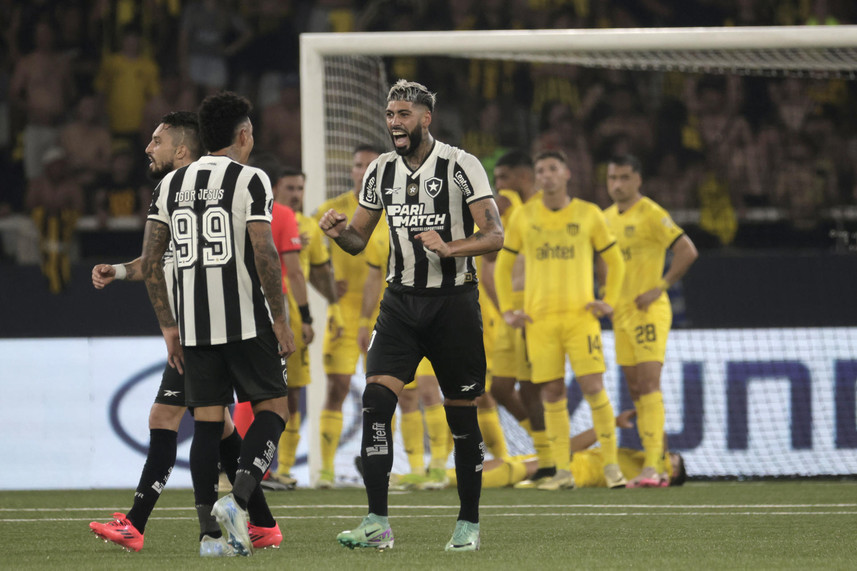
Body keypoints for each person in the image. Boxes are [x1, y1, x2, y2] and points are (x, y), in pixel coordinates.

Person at [320, 79, 504, 552]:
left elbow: (494, 235)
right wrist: (339, 233)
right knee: (376, 403)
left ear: (425, 118)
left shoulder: (462, 165)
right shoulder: (380, 171)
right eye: (390, 114)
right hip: (399, 303)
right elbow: (360, 240)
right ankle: (377, 521)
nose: (394, 123)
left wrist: (449, 247)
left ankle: (468, 523)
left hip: (454, 305)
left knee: (462, 416)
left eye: (403, 114)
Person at [88, 112, 283, 555]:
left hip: (203, 332)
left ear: (181, 149)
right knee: (222, 426)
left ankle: (148, 526)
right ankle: (264, 525)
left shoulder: (190, 195)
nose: (147, 148)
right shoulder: (181, 201)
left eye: (156, 140)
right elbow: (152, 261)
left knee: (171, 419)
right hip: (205, 331)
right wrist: (118, 270)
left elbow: (161, 260)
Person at [142, 91, 294, 557]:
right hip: (246, 321)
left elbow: (151, 263)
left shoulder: (169, 187)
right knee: (273, 412)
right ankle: (241, 498)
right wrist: (282, 319)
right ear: (244, 135)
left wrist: (170, 327)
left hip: (193, 326)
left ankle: (209, 536)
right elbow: (265, 253)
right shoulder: (251, 179)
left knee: (207, 426)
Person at [495, 150, 627, 491]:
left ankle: (612, 467)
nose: (547, 175)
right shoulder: (524, 216)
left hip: (580, 319)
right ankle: (562, 471)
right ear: (536, 177)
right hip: (540, 321)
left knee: (594, 387)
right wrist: (509, 309)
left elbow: (616, 261)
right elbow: (503, 266)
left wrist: (609, 301)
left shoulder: (589, 214)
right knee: (551, 394)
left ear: (567, 174)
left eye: (553, 168)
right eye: (541, 170)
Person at [600, 154, 698, 488]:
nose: (617, 184)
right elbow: (602, 263)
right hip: (621, 313)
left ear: (638, 179)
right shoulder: (605, 218)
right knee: (636, 389)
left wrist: (660, 287)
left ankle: (654, 466)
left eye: (624, 177)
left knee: (649, 384)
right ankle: (657, 464)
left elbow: (687, 250)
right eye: (613, 177)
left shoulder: (652, 213)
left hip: (647, 311)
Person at [356, 218, 449, 490]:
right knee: (407, 396)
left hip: (433, 316)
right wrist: (364, 321)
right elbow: (374, 278)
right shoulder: (381, 233)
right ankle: (418, 469)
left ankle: (440, 468)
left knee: (432, 391)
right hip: (396, 321)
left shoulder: (434, 220)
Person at [266, 166, 342, 489]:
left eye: (301, 188)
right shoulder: (268, 217)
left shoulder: (310, 225)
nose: (297, 194)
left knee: (291, 392)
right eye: (291, 188)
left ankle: (283, 468)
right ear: (276, 187)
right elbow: (295, 272)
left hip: (292, 313)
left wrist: (337, 300)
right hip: (280, 309)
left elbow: (316, 273)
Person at [313, 144, 383, 489]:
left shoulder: (392, 209)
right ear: (352, 170)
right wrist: (327, 284)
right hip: (343, 312)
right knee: (338, 387)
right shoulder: (330, 210)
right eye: (358, 165)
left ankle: (388, 463)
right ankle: (325, 470)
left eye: (371, 165)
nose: (363, 171)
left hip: (385, 308)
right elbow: (307, 257)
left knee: (386, 389)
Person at [486, 149, 556, 487]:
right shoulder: (505, 210)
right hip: (509, 313)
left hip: (537, 310)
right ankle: (549, 450)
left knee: (533, 388)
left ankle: (549, 460)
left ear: (524, 177)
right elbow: (489, 257)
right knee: (499, 387)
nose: (498, 185)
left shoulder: (545, 208)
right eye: (496, 179)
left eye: (504, 178)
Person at [443, 410, 687, 489]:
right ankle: (447, 477)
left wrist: (648, 406)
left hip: (578, 472)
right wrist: (611, 422)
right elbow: (573, 446)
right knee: (505, 463)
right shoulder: (629, 456)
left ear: (671, 474)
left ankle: (447, 482)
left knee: (522, 467)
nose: (669, 457)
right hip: (571, 459)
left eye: (673, 461)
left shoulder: (658, 471)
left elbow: (661, 443)